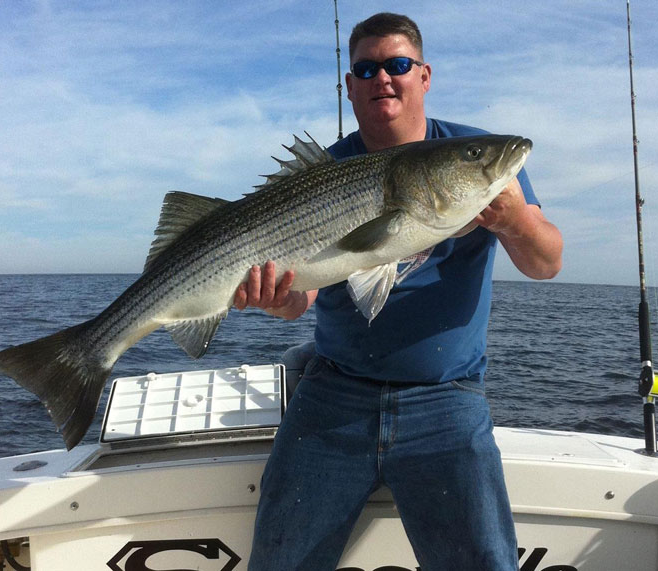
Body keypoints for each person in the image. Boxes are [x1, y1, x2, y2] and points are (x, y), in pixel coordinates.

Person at [236, 12, 563, 570]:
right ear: (350, 85)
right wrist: (276, 298)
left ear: (424, 75)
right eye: (366, 69)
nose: (382, 78)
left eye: (397, 65)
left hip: (445, 398)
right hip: (334, 396)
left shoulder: (475, 155)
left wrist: (516, 222)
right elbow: (301, 299)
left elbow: (546, 262)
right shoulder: (328, 171)